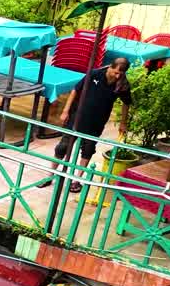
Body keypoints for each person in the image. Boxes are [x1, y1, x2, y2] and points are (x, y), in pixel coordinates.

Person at [54, 57, 132, 191]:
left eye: (121, 74)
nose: (118, 76)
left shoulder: (122, 84)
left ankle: (77, 180)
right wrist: (65, 111)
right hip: (77, 117)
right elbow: (75, 90)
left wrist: (123, 122)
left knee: (88, 149)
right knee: (63, 146)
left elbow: (126, 103)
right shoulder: (95, 74)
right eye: (116, 72)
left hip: (97, 121)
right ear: (111, 67)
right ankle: (51, 173)